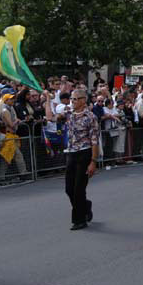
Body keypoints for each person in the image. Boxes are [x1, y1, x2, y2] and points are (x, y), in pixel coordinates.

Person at [45, 89, 99, 230]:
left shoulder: (90, 117)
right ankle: (85, 206)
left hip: (85, 153)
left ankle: (79, 220)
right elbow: (50, 117)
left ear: (83, 100)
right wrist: (47, 99)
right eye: (72, 99)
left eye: (75, 99)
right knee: (69, 189)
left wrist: (93, 162)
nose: (73, 101)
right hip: (71, 153)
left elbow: (94, 141)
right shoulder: (68, 113)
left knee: (78, 189)